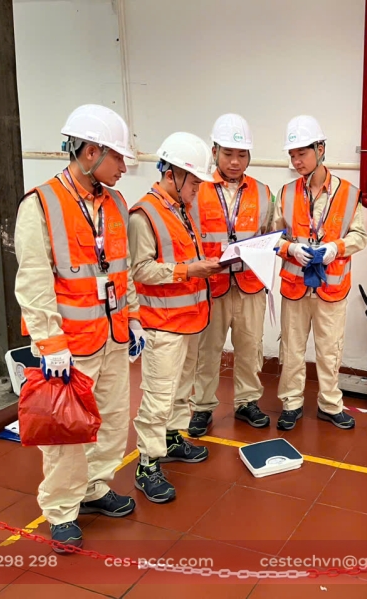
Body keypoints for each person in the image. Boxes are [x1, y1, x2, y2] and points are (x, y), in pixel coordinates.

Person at [14, 104, 145, 552]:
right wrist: (50, 343)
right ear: (91, 152)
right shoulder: (40, 205)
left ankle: (94, 488)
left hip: (112, 336)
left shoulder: (116, 203)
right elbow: (34, 282)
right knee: (67, 434)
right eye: (118, 157)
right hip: (68, 348)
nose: (124, 167)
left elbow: (122, 270)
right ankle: (62, 510)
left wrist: (133, 317)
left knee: (111, 421)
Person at [128, 132, 223, 503]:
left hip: (190, 320)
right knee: (158, 396)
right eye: (194, 182)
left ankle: (171, 439)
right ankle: (147, 464)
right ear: (172, 175)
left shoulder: (181, 209)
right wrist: (189, 270)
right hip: (162, 324)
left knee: (181, 390)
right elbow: (140, 270)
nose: (198, 189)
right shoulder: (144, 215)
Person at [272, 115, 367, 431]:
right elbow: (270, 237)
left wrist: (336, 248)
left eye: (302, 153)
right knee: (292, 349)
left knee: (330, 351)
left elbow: (360, 236)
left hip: (332, 288)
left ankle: (330, 404)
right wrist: (289, 249)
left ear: (321, 149)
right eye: (292, 155)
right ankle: (291, 403)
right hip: (295, 285)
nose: (297, 161)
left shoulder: (349, 194)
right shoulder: (286, 193)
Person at [186, 114, 275, 438]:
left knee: (250, 346)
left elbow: (271, 234)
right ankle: (202, 406)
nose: (235, 161)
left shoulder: (263, 192)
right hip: (212, 285)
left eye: (241, 154)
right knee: (207, 350)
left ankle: (247, 402)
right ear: (214, 152)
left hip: (250, 284)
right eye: (228, 154)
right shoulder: (198, 190)